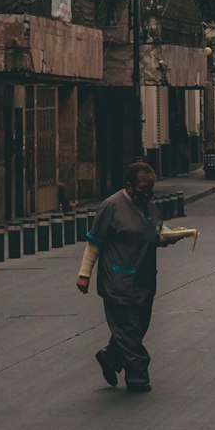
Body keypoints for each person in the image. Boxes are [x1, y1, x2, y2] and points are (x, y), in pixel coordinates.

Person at [75, 160, 183, 393]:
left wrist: (170, 237)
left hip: (144, 280)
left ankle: (110, 357)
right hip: (117, 281)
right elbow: (94, 244)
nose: (147, 194)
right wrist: (84, 275)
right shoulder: (111, 207)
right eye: (142, 189)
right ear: (129, 185)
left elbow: (156, 232)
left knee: (137, 327)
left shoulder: (151, 208)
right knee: (127, 329)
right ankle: (138, 376)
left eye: (150, 189)